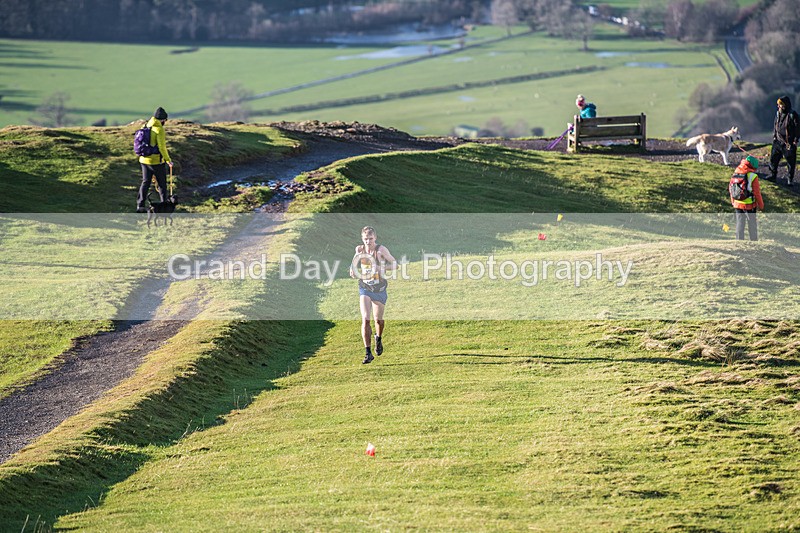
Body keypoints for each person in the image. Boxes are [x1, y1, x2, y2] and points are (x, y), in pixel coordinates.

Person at [349, 226, 396, 364]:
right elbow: (354, 264)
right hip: (365, 287)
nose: (368, 241)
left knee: (378, 320)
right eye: (365, 239)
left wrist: (381, 268)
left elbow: (395, 264)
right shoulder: (359, 250)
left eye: (370, 239)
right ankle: (368, 353)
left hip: (379, 289)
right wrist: (352, 270)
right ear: (362, 239)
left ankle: (378, 338)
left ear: (375, 238)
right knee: (365, 319)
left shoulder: (381, 250)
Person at [136, 107, 173, 213]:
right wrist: (167, 160)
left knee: (145, 182)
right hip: (156, 161)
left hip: (143, 160)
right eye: (165, 120)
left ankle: (140, 205)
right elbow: (162, 147)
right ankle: (164, 205)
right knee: (162, 184)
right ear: (162, 120)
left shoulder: (147, 125)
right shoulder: (159, 129)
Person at [730, 155, 764, 241]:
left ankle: (739, 242)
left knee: (740, 223)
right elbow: (757, 193)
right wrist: (761, 205)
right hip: (749, 205)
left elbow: (731, 188)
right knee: (752, 224)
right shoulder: (753, 176)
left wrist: (733, 201)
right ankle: (754, 242)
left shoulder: (736, 172)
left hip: (737, 203)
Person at [768, 95, 799, 186]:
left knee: (790, 162)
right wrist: (774, 136)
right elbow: (775, 125)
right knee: (773, 159)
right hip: (777, 141)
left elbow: (798, 128)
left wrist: (796, 140)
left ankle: (790, 179)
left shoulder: (793, 115)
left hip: (789, 143)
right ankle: (773, 175)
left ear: (785, 105)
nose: (778, 106)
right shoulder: (778, 113)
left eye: (780, 105)